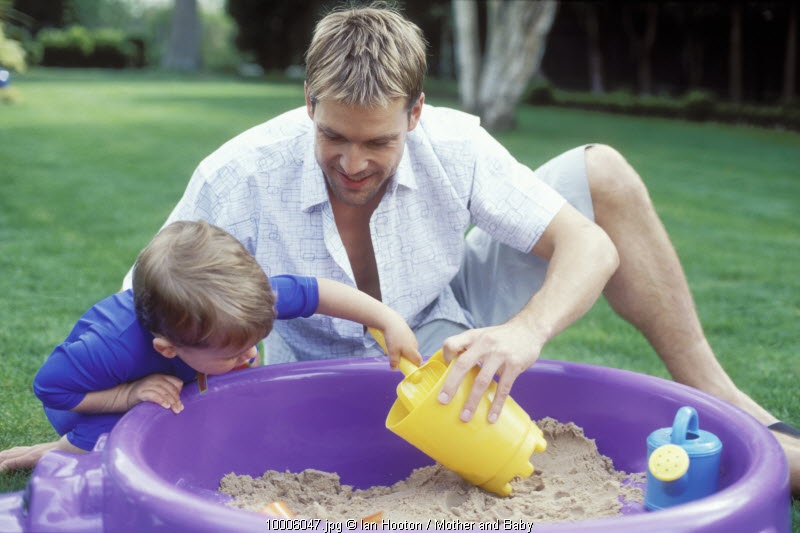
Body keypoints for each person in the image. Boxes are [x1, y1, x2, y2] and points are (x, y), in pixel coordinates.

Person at [121, 3, 799, 494]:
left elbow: (588, 245)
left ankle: (726, 399)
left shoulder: (453, 144)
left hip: (451, 316)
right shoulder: (239, 174)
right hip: (319, 371)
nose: (353, 162)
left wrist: (524, 332)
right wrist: (100, 414)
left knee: (604, 172)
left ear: (415, 115)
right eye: (334, 136)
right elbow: (143, 301)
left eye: (378, 142)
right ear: (308, 102)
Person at [0, 220, 420, 472]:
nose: (251, 355)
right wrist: (130, 394)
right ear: (167, 348)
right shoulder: (108, 349)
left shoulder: (236, 306)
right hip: (93, 399)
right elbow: (53, 391)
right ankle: (52, 453)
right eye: (234, 352)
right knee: (113, 441)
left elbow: (319, 293)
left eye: (255, 342)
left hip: (177, 370)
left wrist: (387, 319)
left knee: (220, 412)